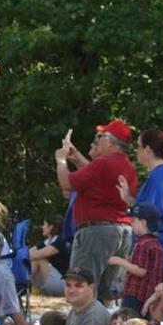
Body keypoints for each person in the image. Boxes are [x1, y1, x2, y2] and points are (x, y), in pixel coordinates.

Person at [55, 119, 138, 302]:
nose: (97, 140)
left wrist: (61, 161)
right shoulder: (128, 166)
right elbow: (95, 177)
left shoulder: (103, 163)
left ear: (110, 141)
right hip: (121, 231)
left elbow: (66, 184)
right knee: (106, 294)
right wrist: (77, 158)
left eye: (100, 136)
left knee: (81, 287)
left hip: (96, 232)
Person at [117, 128, 163, 268]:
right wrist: (128, 199)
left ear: (147, 150)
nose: (136, 150)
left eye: (138, 146)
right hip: (156, 250)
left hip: (154, 253)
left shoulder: (160, 177)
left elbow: (149, 216)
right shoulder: (160, 175)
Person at [109, 203, 163, 312]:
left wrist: (119, 261)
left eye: (134, 220)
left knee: (128, 319)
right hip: (148, 294)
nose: (131, 223)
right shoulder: (156, 244)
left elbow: (141, 270)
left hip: (135, 294)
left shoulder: (143, 244)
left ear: (143, 223)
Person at [29, 217, 69, 296]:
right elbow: (30, 252)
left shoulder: (60, 241)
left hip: (63, 284)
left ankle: (20, 284)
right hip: (53, 280)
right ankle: (22, 284)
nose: (42, 227)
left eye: (44, 224)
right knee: (33, 259)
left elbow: (38, 255)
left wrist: (21, 258)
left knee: (38, 259)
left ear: (51, 227)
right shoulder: (48, 241)